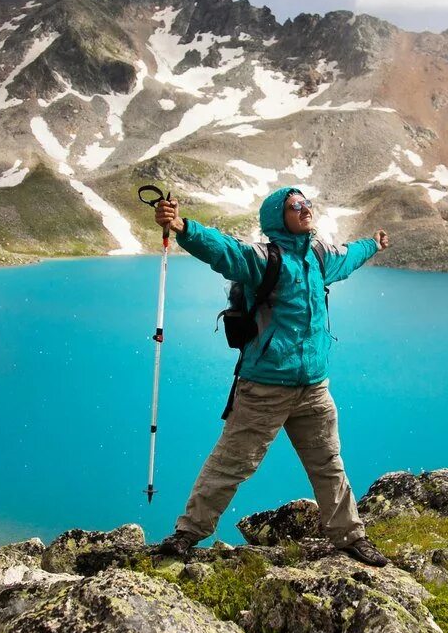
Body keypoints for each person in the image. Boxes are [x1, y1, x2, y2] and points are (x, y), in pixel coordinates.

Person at [152, 185, 392, 566]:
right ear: (278, 216)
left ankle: (349, 537)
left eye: (308, 203)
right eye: (296, 206)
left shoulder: (319, 255)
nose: (305, 209)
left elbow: (349, 256)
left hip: (313, 386)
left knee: (329, 464)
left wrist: (373, 244)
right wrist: (182, 227)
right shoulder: (262, 259)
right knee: (232, 463)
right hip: (265, 387)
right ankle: (187, 534)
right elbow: (223, 250)